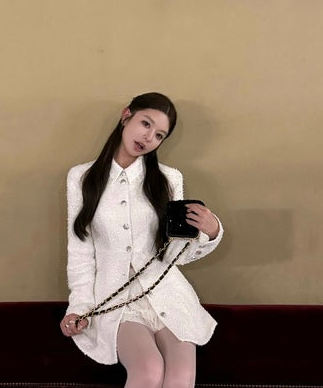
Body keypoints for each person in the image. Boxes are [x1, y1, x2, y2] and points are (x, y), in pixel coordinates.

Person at [59, 92, 223, 388]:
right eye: (146, 124)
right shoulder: (81, 178)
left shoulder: (169, 179)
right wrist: (79, 308)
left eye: (159, 135)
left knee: (181, 378)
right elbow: (80, 253)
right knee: (149, 371)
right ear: (126, 116)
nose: (148, 138)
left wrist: (210, 233)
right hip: (118, 302)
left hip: (169, 295)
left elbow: (174, 254)